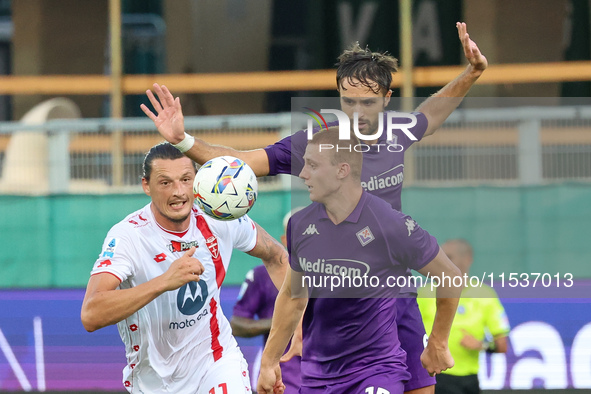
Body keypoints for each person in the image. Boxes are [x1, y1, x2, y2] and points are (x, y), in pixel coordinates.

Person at [141, 22, 487, 394]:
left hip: (393, 293)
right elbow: (244, 161)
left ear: (387, 98)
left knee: (419, 386)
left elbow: (431, 116)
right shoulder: (315, 144)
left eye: (367, 101)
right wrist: (183, 140)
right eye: (348, 100)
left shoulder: (396, 132)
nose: (356, 111)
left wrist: (472, 72)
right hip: (335, 298)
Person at [257, 127, 463, 393]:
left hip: (376, 372)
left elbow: (450, 276)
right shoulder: (300, 224)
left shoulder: (389, 225)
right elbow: (293, 297)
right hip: (317, 376)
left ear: (342, 170)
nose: (303, 174)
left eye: (312, 166)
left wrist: (438, 341)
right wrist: (269, 361)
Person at [80, 142, 288, 394]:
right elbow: (91, 314)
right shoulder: (128, 236)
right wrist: (164, 281)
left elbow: (278, 258)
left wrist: (297, 329)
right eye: (165, 183)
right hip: (152, 381)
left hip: (216, 362)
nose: (178, 192)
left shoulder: (219, 216)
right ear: (146, 185)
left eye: (186, 179)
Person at [417, 239, 510, 394]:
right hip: (433, 376)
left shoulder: (485, 295)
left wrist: (481, 345)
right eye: (440, 257)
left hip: (468, 381)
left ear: (467, 259)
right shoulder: (424, 293)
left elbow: (502, 346)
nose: (443, 262)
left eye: (449, 257)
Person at [231, 209, 303, 393]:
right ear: (285, 240)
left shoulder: (337, 274)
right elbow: (237, 324)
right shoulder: (261, 275)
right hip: (282, 378)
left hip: (329, 376)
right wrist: (283, 322)